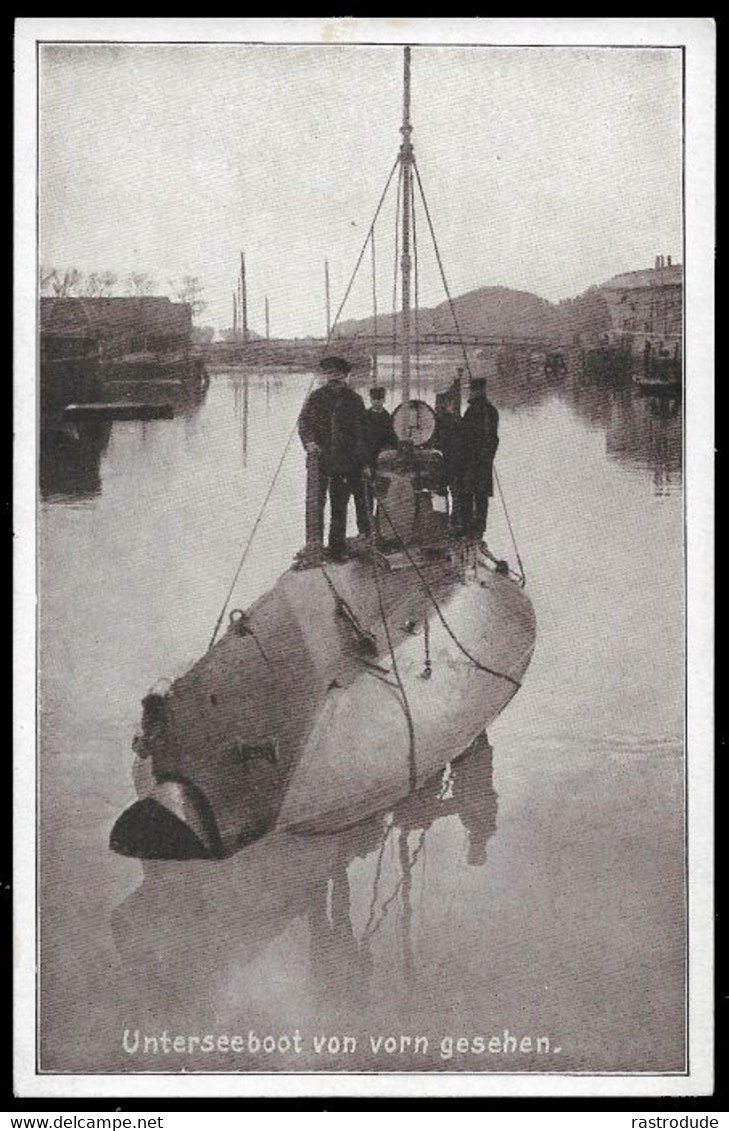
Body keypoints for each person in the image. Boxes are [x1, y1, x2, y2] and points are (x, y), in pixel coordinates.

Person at [297, 356, 369, 561]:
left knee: (339, 506)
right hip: (319, 462)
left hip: (345, 463)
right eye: (330, 374)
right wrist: (309, 442)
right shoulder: (315, 398)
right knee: (315, 504)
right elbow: (303, 424)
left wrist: (362, 462)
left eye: (338, 375)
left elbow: (362, 434)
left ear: (345, 377)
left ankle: (336, 549)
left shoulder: (354, 400)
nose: (334, 378)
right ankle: (314, 546)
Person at [460, 376, 499, 541]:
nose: (473, 393)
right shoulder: (474, 410)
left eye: (474, 390)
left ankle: (476, 529)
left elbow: (492, 439)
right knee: (468, 494)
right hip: (471, 460)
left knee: (479, 496)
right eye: (472, 390)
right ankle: (469, 527)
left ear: (480, 391)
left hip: (479, 461)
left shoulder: (487, 411)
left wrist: (485, 457)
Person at [431, 390, 464, 532]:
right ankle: (451, 521)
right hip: (448, 463)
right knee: (450, 493)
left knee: (444, 493)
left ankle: (445, 522)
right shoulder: (455, 421)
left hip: (447, 463)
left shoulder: (435, 422)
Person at [363, 386, 398, 473]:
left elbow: (391, 435)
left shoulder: (388, 417)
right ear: (371, 400)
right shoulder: (364, 416)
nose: (377, 402)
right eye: (375, 399)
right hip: (367, 451)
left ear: (384, 401)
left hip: (383, 451)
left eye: (380, 399)